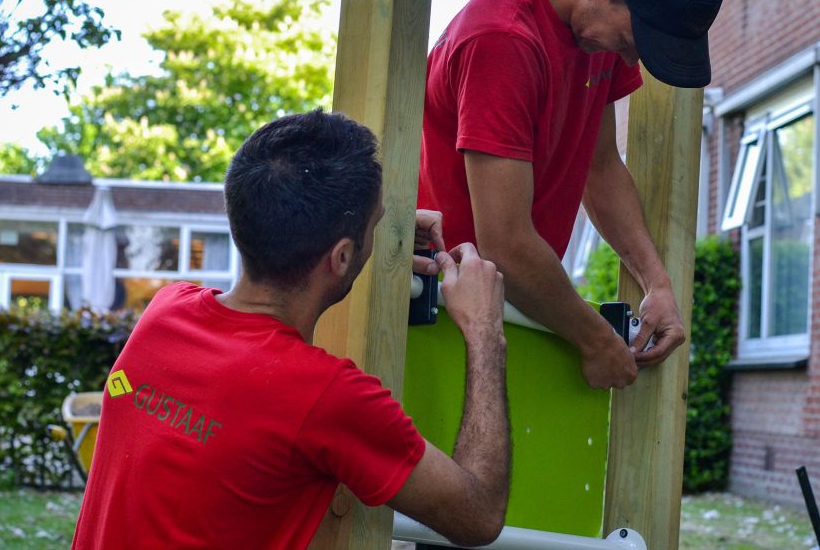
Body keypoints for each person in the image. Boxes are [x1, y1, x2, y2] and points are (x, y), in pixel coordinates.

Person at [71, 110, 510, 549]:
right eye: (376, 224)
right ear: (340, 258)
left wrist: (365, 234)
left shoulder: (164, 314)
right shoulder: (329, 396)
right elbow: (479, 514)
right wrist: (483, 330)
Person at [418, 0, 729, 390]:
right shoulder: (503, 40)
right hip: (439, 314)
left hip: (512, 307)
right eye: (632, 40)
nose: (631, 58)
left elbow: (600, 167)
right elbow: (504, 243)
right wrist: (597, 341)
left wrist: (657, 283)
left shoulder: (595, 32)